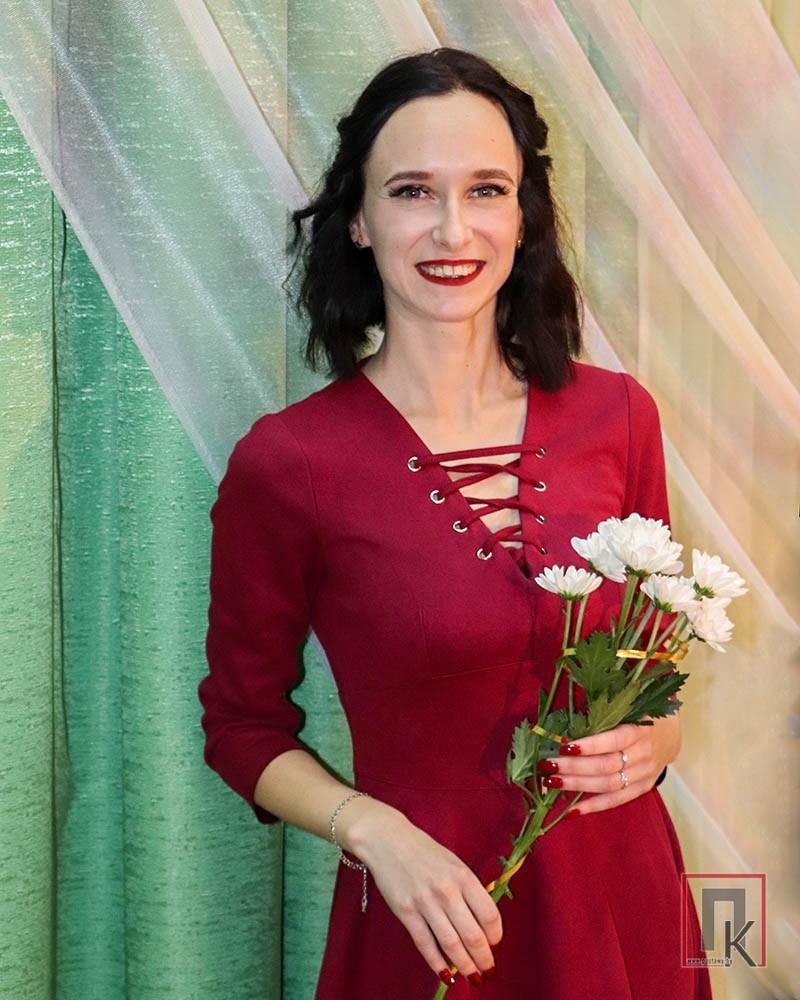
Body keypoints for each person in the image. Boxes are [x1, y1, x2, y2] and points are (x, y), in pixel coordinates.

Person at [198, 47, 712, 999]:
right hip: (432, 924)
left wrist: (660, 741)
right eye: (411, 192)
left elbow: (655, 664)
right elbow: (239, 726)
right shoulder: (290, 463)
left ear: (523, 216)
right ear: (358, 219)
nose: (452, 228)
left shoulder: (620, 415)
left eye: (486, 190)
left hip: (627, 906)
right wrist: (372, 831)